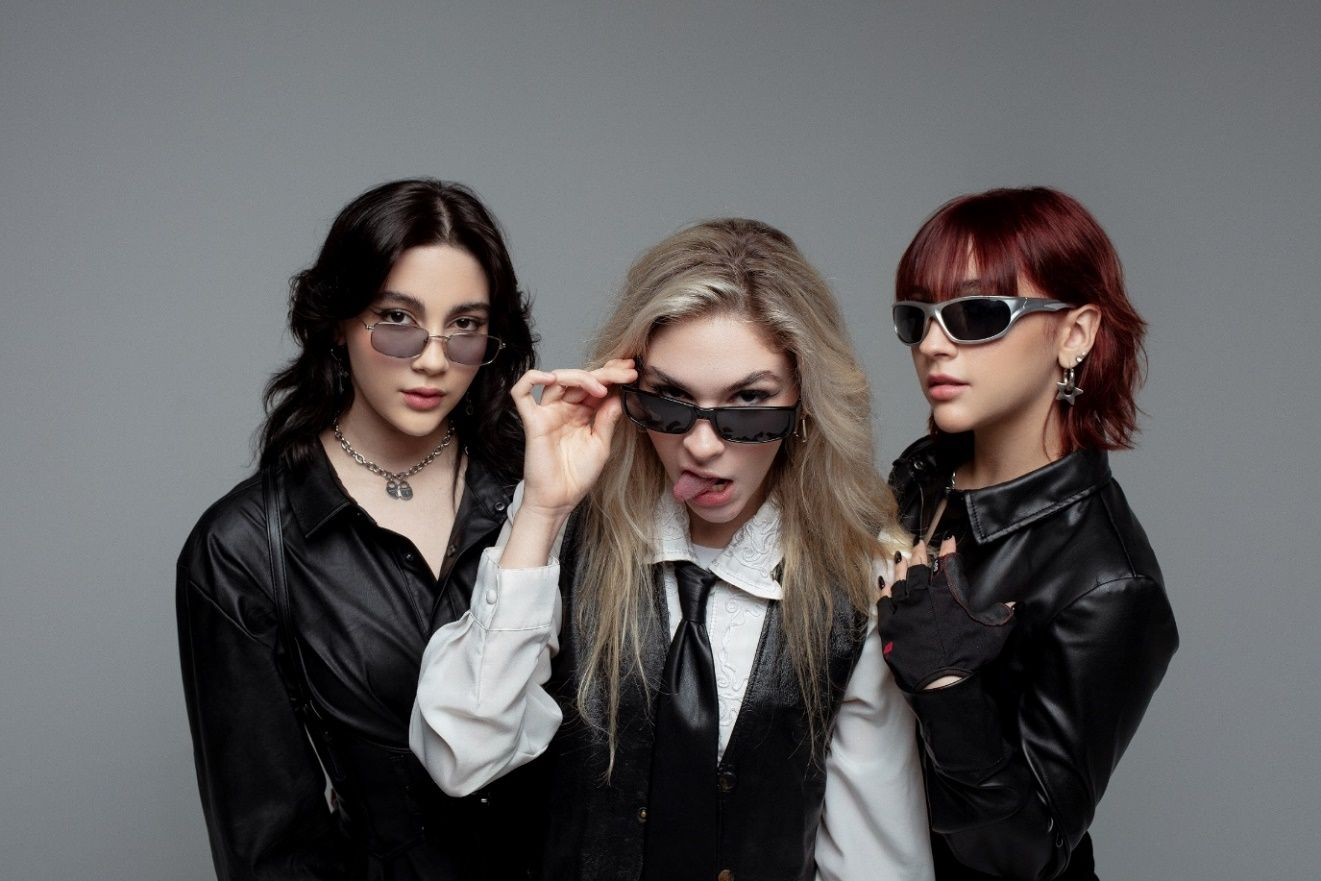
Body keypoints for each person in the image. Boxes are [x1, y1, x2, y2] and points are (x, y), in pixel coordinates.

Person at [410, 218, 934, 880]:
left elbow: (876, 859)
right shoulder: (562, 525)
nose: (702, 446)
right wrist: (541, 509)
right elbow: (461, 755)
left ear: (805, 401)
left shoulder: (861, 574)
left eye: (748, 403)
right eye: (670, 401)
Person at [176, 178, 539, 880]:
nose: (433, 359)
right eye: (397, 318)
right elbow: (270, 845)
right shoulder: (244, 547)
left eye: (465, 325)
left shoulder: (543, 490)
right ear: (338, 321)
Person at [878, 187, 1179, 880]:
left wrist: (946, 685)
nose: (932, 344)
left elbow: (1028, 852)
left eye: (976, 314)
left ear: (1074, 334)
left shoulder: (1109, 580)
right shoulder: (924, 479)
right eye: (915, 318)